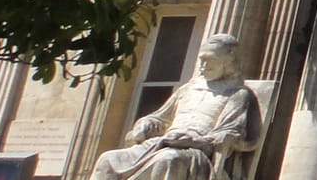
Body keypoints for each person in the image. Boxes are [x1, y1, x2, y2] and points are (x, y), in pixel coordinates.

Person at [91, 34, 260, 180]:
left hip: (195, 152)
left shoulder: (237, 94)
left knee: (169, 159)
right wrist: (146, 125)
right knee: (108, 159)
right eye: (202, 59)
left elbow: (230, 134)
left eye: (211, 60)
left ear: (228, 62)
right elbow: (160, 118)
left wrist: (194, 141)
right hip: (161, 144)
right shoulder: (188, 88)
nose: (204, 65)